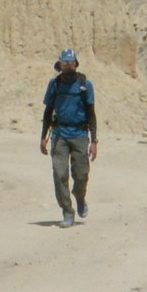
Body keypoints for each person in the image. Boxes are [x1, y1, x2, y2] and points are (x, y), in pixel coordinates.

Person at [39, 47, 98, 225]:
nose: (67, 66)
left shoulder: (85, 85)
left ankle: (80, 197)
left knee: (81, 174)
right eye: (64, 63)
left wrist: (94, 140)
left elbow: (91, 113)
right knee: (59, 174)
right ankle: (67, 211)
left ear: (75, 64)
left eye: (70, 63)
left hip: (80, 134)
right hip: (59, 135)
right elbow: (48, 111)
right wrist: (43, 136)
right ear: (60, 65)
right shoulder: (54, 84)